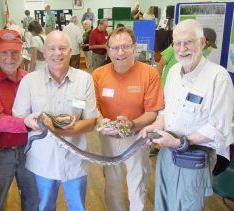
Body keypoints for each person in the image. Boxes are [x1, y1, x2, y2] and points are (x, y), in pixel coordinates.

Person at [140, 19, 234, 211]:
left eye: (188, 42)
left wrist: (178, 142)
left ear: (202, 42)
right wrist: (156, 125)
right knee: (163, 203)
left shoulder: (219, 77)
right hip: (167, 154)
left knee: (188, 206)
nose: (182, 49)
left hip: (195, 158)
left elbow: (218, 128)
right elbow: (166, 110)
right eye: (177, 43)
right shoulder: (173, 71)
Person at [12, 31, 98, 211]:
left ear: (70, 51)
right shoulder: (29, 81)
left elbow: (90, 122)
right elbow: (19, 118)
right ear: (44, 51)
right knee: (44, 206)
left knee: (78, 207)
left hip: (75, 161)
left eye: (62, 48)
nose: (57, 53)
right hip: (42, 162)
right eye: (52, 48)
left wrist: (58, 130)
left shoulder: (85, 80)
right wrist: (31, 120)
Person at [92, 27, 164, 211]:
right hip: (108, 137)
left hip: (138, 137)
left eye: (125, 46)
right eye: (115, 48)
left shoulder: (150, 73)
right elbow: (94, 107)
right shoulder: (98, 75)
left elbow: (152, 112)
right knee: (112, 181)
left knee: (137, 181)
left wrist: (132, 125)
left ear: (135, 47)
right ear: (108, 50)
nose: (120, 52)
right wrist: (102, 122)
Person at [0, 29, 39, 211]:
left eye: (15, 52)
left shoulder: (29, 80)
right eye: (4, 52)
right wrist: (26, 123)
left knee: (33, 199)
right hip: (0, 154)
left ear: (22, 51)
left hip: (29, 151)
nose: (10, 58)